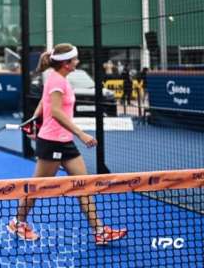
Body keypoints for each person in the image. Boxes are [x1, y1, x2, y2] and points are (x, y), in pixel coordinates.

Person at [9, 43, 127, 245]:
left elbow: (44, 103)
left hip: (65, 143)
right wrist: (82, 134)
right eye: (75, 59)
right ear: (66, 63)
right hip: (53, 143)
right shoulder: (57, 81)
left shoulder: (57, 79)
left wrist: (35, 118)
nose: (78, 62)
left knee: (84, 185)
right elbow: (55, 111)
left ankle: (99, 231)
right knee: (37, 187)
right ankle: (17, 223)